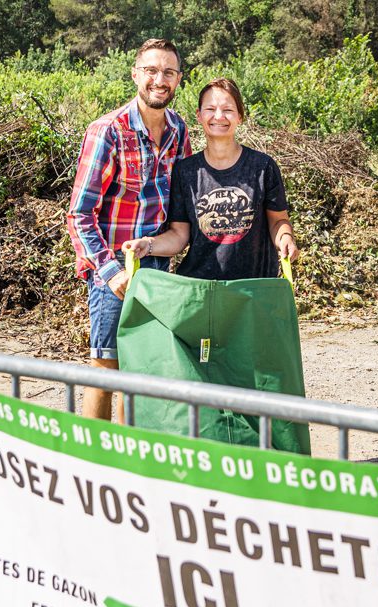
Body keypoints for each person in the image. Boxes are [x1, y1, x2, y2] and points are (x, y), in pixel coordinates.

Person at [67, 39, 192, 421]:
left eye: (168, 72)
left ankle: (128, 457)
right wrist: (111, 273)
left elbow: (180, 207)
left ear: (179, 80)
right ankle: (93, 458)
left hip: (157, 266)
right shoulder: (108, 131)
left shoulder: (178, 131)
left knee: (144, 367)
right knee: (106, 367)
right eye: (152, 70)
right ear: (136, 74)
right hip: (114, 271)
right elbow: (79, 215)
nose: (160, 79)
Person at [123, 77, 298, 278]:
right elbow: (180, 236)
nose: (219, 116)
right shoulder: (186, 172)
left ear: (240, 116)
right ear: (199, 115)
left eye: (228, 110)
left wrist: (285, 237)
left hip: (255, 289)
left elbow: (278, 221)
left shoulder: (263, 167)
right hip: (201, 290)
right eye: (210, 109)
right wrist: (148, 244)